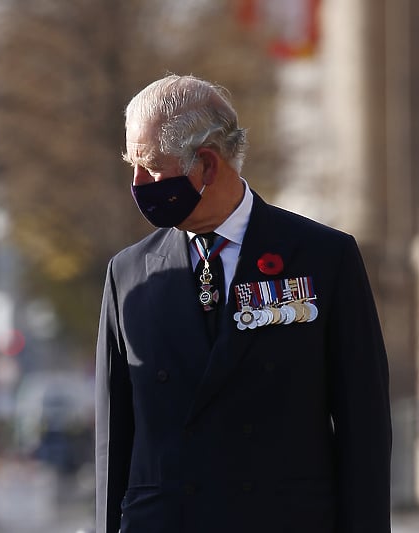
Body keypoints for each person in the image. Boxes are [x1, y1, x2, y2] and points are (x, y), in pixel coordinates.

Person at [95, 75, 391, 533]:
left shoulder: (323, 257)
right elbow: (114, 442)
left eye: (151, 167)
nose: (138, 184)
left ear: (207, 165)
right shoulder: (128, 273)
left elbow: (364, 427)